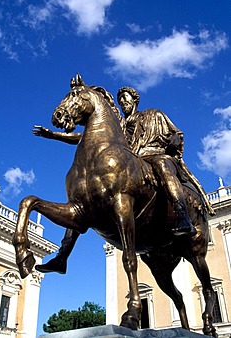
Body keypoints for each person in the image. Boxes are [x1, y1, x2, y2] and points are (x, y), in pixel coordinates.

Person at [36, 85, 213, 274]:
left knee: (163, 166)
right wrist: (53, 135)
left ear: (135, 100)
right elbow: (84, 136)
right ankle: (62, 256)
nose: (124, 103)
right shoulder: (118, 127)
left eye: (126, 99)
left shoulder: (153, 114)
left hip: (154, 155)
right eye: (121, 101)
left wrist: (171, 142)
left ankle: (181, 214)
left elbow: (176, 134)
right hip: (132, 161)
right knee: (84, 204)